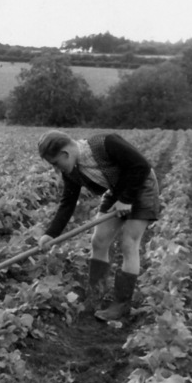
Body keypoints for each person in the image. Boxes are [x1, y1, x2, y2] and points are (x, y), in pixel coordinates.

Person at [37, 130, 159, 321]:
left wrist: (126, 199)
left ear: (65, 154)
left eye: (55, 163)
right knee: (99, 241)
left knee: (129, 243)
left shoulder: (105, 143)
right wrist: (50, 235)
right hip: (117, 189)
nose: (56, 169)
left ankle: (121, 305)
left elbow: (141, 166)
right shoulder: (72, 170)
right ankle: (95, 296)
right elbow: (68, 202)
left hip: (141, 186)